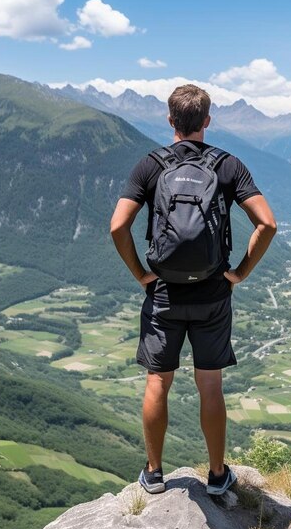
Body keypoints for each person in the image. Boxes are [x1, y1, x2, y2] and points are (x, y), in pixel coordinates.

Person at [110, 84, 277, 495]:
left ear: (169, 120)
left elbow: (118, 226)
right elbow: (267, 224)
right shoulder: (227, 165)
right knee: (210, 384)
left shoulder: (150, 166)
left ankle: (153, 473)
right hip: (212, 294)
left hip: (164, 292)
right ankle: (218, 476)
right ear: (207, 120)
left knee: (157, 382)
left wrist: (142, 276)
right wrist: (239, 273)